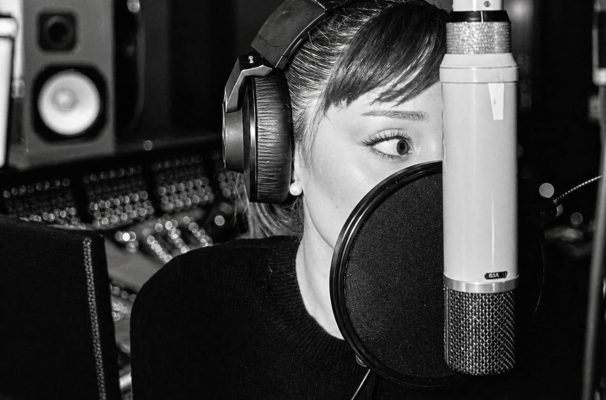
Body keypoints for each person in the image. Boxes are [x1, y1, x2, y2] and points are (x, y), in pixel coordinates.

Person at [131, 1, 529, 398]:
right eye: (396, 144)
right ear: (284, 154)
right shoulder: (189, 307)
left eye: (464, 145)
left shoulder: (534, 329)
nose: (441, 185)